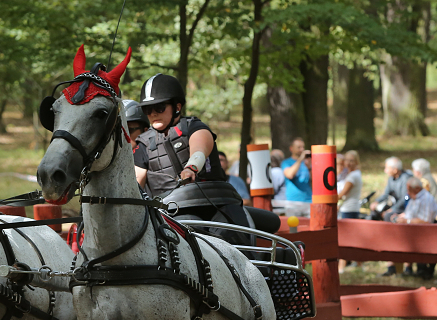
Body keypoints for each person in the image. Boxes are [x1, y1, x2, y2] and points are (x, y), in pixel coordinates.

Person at [133, 73, 257, 242]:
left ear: (176, 107)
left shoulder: (194, 126)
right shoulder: (143, 145)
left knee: (233, 237)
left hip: (217, 204)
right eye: (148, 110)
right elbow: (136, 180)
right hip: (173, 211)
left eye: (160, 107)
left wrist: (191, 167)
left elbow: (200, 148)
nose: (153, 113)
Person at [381, 177, 437, 278]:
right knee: (390, 232)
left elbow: (426, 221)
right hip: (410, 231)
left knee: (395, 238)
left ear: (416, 188)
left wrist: (407, 221)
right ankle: (397, 268)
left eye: (408, 189)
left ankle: (401, 268)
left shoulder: (426, 198)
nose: (407, 191)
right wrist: (399, 217)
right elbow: (409, 213)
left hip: (422, 234)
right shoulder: (414, 197)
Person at [337, 150, 362, 274]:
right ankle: (358, 262)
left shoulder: (352, 176)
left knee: (344, 238)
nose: (348, 163)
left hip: (349, 209)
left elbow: (341, 195)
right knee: (352, 237)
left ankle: (341, 266)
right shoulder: (351, 174)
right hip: (349, 208)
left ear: (356, 161)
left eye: (351, 160)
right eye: (347, 160)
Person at [371, 157, 412, 221]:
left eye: (387, 168)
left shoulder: (405, 179)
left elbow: (404, 199)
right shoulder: (391, 178)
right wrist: (377, 201)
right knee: (374, 213)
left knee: (388, 215)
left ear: (395, 170)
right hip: (394, 204)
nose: (385, 171)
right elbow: (386, 194)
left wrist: (392, 209)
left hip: (403, 208)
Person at [281, 137, 312, 217]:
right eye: (299, 147)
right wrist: (300, 159)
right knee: (293, 228)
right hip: (293, 202)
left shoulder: (307, 163)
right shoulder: (286, 162)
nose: (302, 149)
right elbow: (290, 175)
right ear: (291, 149)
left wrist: (309, 167)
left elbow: (314, 181)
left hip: (308, 201)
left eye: (303, 147)